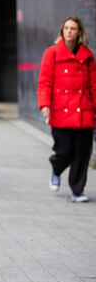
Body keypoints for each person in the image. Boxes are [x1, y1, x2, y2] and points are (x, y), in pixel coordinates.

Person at [37, 16, 96, 203]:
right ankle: (56, 169)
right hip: (61, 110)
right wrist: (45, 104)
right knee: (64, 151)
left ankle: (77, 191)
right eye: (66, 28)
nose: (69, 31)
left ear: (80, 32)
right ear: (62, 31)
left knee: (82, 154)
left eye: (73, 28)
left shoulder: (87, 56)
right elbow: (45, 82)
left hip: (83, 110)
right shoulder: (52, 53)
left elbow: (94, 84)